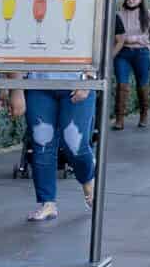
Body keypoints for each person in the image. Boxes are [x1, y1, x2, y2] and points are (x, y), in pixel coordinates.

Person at [16, 67, 97, 222]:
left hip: (77, 79)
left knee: (75, 144)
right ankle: (47, 203)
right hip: (38, 82)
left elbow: (99, 44)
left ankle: (87, 179)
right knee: (42, 143)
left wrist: (89, 79)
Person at [112, 0, 150, 129]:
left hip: (142, 53)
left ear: (140, 0)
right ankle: (119, 119)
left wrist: (133, 39)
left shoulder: (149, 15)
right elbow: (116, 35)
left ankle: (144, 115)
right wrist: (127, 41)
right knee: (122, 85)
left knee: (142, 84)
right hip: (123, 53)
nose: (131, 0)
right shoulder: (118, 14)